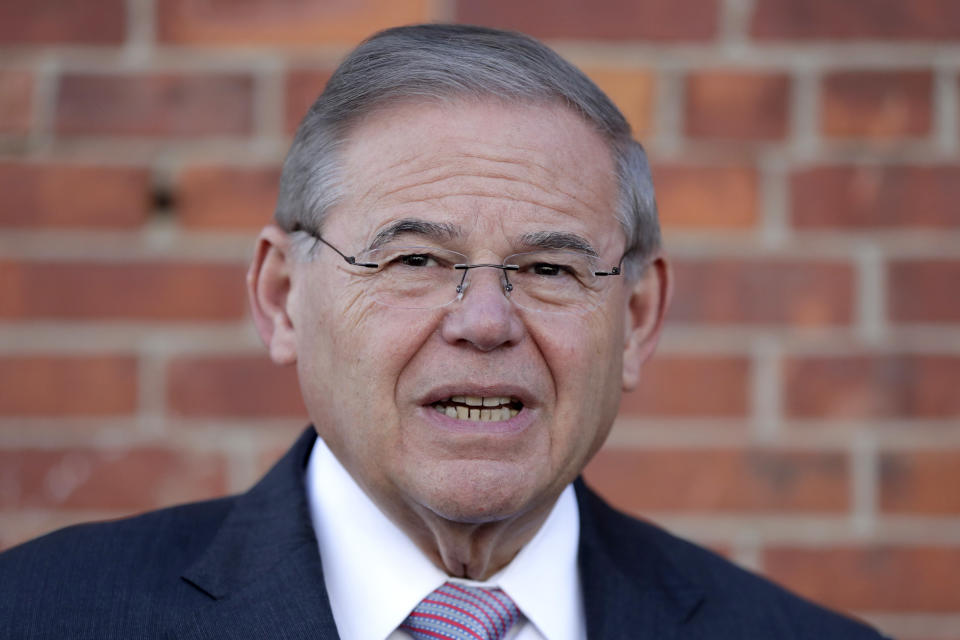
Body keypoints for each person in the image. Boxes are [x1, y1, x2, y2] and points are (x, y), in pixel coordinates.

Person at [0, 24, 886, 640]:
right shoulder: (36, 616)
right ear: (281, 299)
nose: (485, 322)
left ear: (638, 318)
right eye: (413, 260)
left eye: (549, 269)